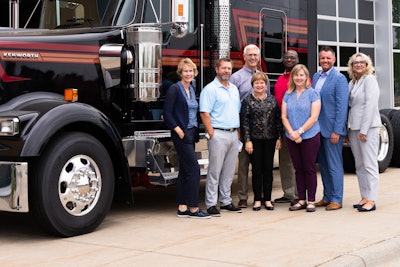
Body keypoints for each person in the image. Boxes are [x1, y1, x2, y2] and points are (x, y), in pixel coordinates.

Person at [163, 58, 211, 219]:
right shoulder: (174, 89)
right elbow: (167, 114)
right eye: (185, 71)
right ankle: (193, 208)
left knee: (184, 171)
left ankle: (182, 207)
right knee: (194, 170)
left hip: (192, 133)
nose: (188, 73)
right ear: (180, 73)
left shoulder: (192, 87)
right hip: (181, 134)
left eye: (191, 71)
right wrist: (178, 130)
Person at [200, 58, 242, 216]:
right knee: (214, 171)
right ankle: (211, 204)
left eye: (229, 68)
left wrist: (237, 134)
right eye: (224, 68)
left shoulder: (234, 89)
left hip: (233, 134)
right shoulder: (210, 89)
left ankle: (225, 201)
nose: (227, 71)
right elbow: (204, 113)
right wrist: (212, 133)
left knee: (229, 171)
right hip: (218, 134)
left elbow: (236, 112)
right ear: (216, 69)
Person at [230, 44, 270, 208]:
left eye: (255, 55)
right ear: (244, 57)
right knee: (244, 165)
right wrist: (239, 130)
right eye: (250, 55)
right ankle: (243, 197)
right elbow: (233, 106)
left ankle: (259, 197)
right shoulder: (236, 78)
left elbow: (268, 102)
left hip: (262, 131)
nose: (253, 58)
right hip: (244, 128)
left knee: (260, 166)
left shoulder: (263, 76)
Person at [312, 46, 349, 211]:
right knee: (324, 166)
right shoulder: (315, 76)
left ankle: (337, 198)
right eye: (322, 58)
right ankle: (327, 196)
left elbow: (342, 107)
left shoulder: (339, 78)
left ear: (334, 60)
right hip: (317, 129)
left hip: (332, 130)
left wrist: (338, 130)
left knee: (334, 164)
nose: (325, 60)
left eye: (328, 58)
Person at [281, 64, 321, 212]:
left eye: (301, 75)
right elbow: (284, 116)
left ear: (306, 77)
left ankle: (311, 200)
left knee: (309, 168)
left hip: (310, 136)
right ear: (292, 77)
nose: (298, 78)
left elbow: (314, 117)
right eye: (296, 75)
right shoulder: (288, 94)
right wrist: (292, 132)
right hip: (291, 136)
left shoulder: (313, 93)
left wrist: (300, 132)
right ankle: (301, 200)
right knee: (298, 169)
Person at [241, 72, 282, 211]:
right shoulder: (247, 101)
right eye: (256, 83)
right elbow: (245, 122)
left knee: (268, 170)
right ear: (252, 85)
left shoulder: (272, 100)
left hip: (270, 140)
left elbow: (277, 120)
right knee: (257, 170)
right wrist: (247, 140)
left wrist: (279, 137)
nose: (259, 85)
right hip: (255, 141)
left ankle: (268, 199)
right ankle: (257, 199)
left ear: (266, 85)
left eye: (262, 83)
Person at [347, 53, 381, 212]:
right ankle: (364, 196)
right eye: (355, 62)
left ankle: (372, 199)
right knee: (359, 164)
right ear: (352, 66)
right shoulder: (353, 82)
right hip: (354, 128)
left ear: (367, 65)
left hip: (368, 128)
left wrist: (364, 130)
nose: (358, 65)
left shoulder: (370, 80)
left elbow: (370, 106)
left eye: (362, 62)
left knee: (370, 164)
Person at [273, 50, 298, 205]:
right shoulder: (281, 78)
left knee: (297, 161)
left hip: (296, 125)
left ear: (297, 60)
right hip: (282, 124)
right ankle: (288, 193)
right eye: (286, 57)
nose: (289, 59)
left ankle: (298, 194)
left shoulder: (301, 77)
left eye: (292, 58)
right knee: (285, 160)